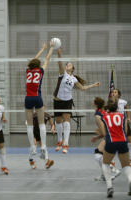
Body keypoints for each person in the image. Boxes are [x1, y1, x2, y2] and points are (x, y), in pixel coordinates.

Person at [54, 48, 100, 154]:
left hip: (67, 101)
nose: (67, 66)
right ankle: (59, 141)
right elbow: (60, 64)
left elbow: (82, 88)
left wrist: (94, 85)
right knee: (58, 122)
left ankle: (65, 144)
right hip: (57, 100)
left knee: (66, 122)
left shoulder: (74, 79)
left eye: (69, 65)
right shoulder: (62, 74)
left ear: (72, 68)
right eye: (67, 65)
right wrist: (59, 54)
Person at [97, 99, 131, 198]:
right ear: (117, 108)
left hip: (111, 142)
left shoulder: (105, 117)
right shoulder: (123, 116)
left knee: (105, 163)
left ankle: (109, 187)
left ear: (108, 108)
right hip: (123, 141)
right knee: (126, 165)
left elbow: (104, 132)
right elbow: (126, 131)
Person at [25, 41, 54, 169]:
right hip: (38, 98)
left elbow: (34, 60)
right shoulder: (41, 71)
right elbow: (47, 59)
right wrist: (50, 48)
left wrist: (41, 49)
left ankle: (33, 146)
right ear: (38, 65)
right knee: (42, 123)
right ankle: (42, 146)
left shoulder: (27, 71)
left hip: (28, 98)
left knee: (30, 124)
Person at [91, 97, 121, 181]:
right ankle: (104, 175)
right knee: (102, 155)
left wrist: (97, 136)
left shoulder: (98, 115)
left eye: (93, 102)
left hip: (110, 136)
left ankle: (114, 170)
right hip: (113, 134)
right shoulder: (103, 111)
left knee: (98, 154)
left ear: (96, 104)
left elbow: (104, 133)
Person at [111, 89, 131, 167]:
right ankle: (112, 161)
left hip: (123, 122)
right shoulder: (110, 102)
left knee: (129, 140)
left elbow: (127, 109)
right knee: (113, 142)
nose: (113, 93)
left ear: (119, 94)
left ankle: (129, 159)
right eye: (112, 92)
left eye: (115, 92)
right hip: (115, 124)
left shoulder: (123, 102)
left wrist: (128, 118)